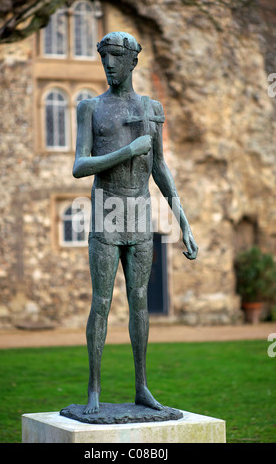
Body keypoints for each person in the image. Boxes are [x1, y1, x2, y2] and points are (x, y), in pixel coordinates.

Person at [72, 32, 198, 414]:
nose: (109, 65)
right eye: (104, 57)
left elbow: (159, 167)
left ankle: (142, 386)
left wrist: (184, 223)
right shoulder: (89, 107)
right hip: (106, 211)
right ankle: (94, 388)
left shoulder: (150, 108)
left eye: (115, 58)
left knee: (140, 300)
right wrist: (127, 150)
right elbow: (79, 166)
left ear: (132, 62)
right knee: (102, 301)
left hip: (140, 213)